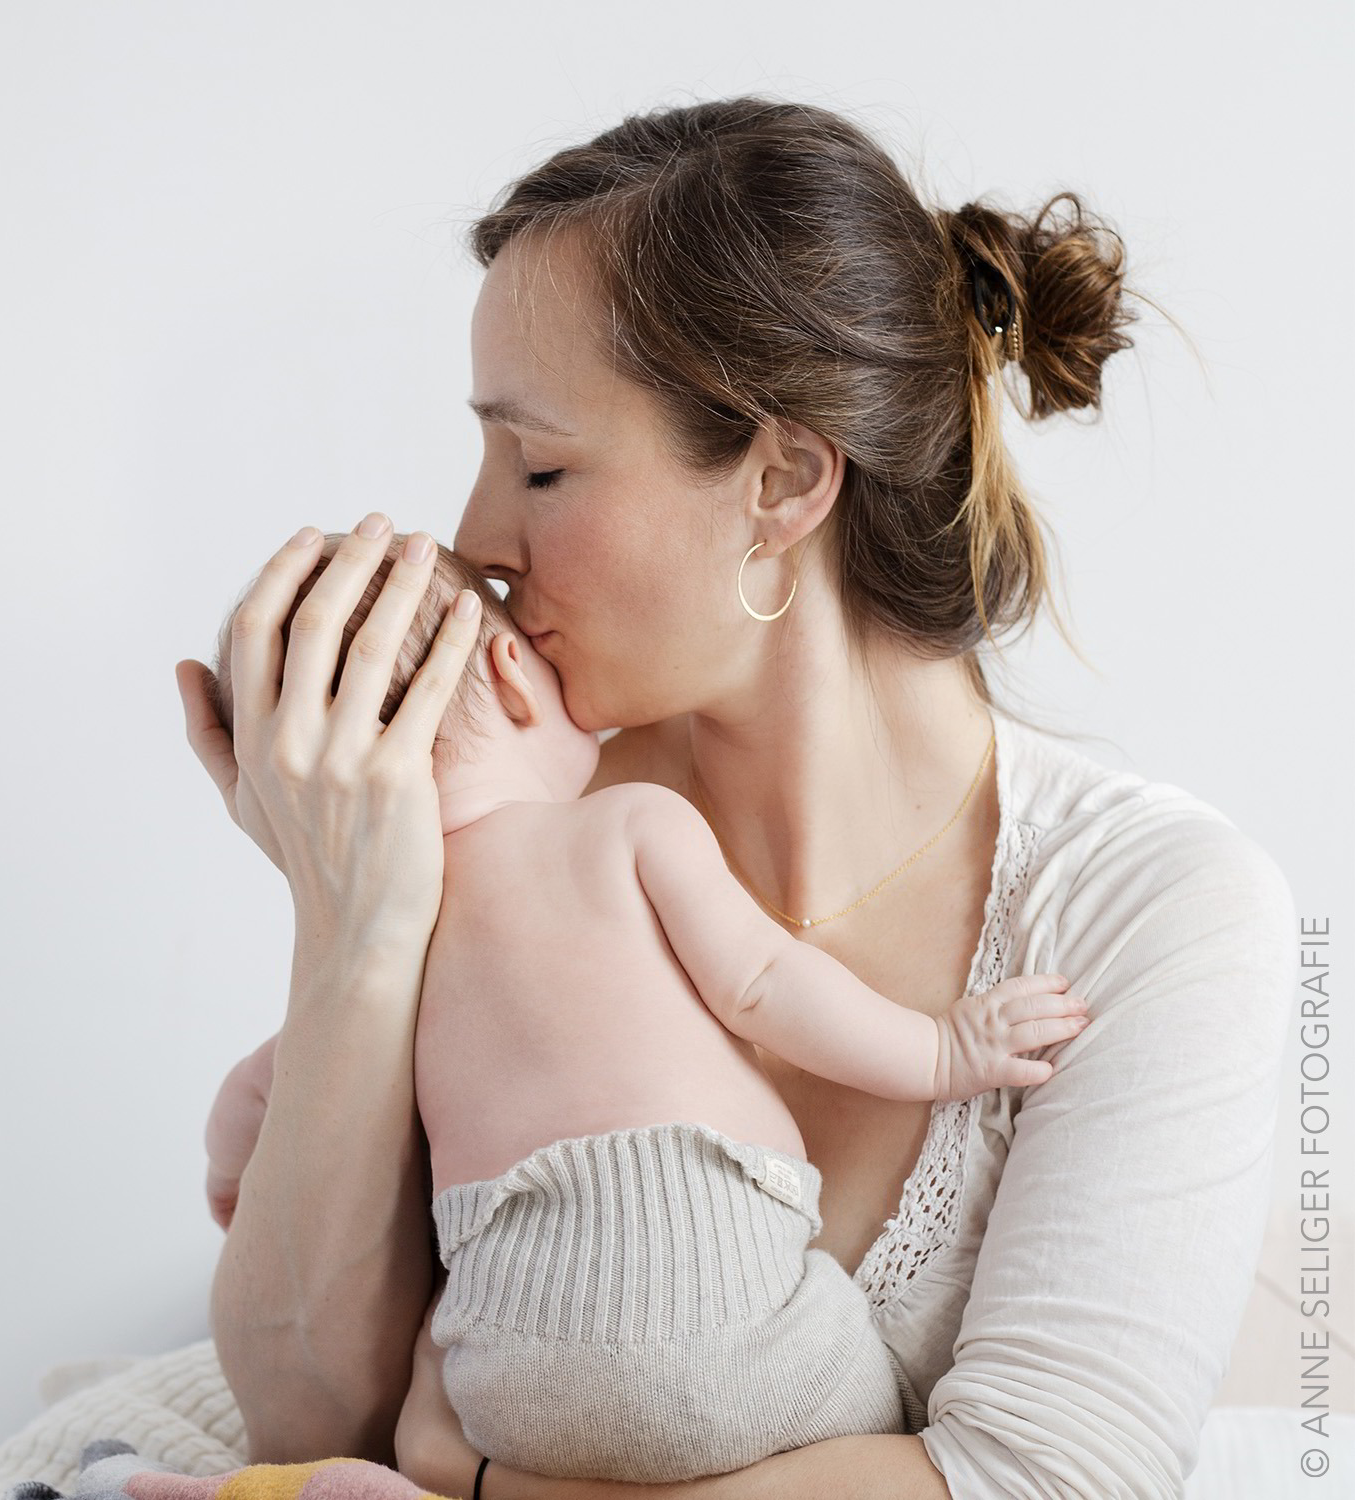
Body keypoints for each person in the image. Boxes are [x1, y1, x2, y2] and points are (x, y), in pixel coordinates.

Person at [174, 96, 1297, 1499]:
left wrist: (487, 1490)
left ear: (782, 483)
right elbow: (310, 1429)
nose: (473, 540)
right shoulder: (512, 852)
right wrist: (358, 919)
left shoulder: (1157, 913)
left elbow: (1053, 1483)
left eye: (539, 465)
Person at [196, 532, 1093, 1483]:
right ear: (512, 672)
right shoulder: (628, 824)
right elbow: (762, 985)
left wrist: (230, 1175)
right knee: (889, 1415)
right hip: (736, 1325)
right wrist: (941, 1054)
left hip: (513, 1388)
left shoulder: (395, 938)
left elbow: (263, 1093)